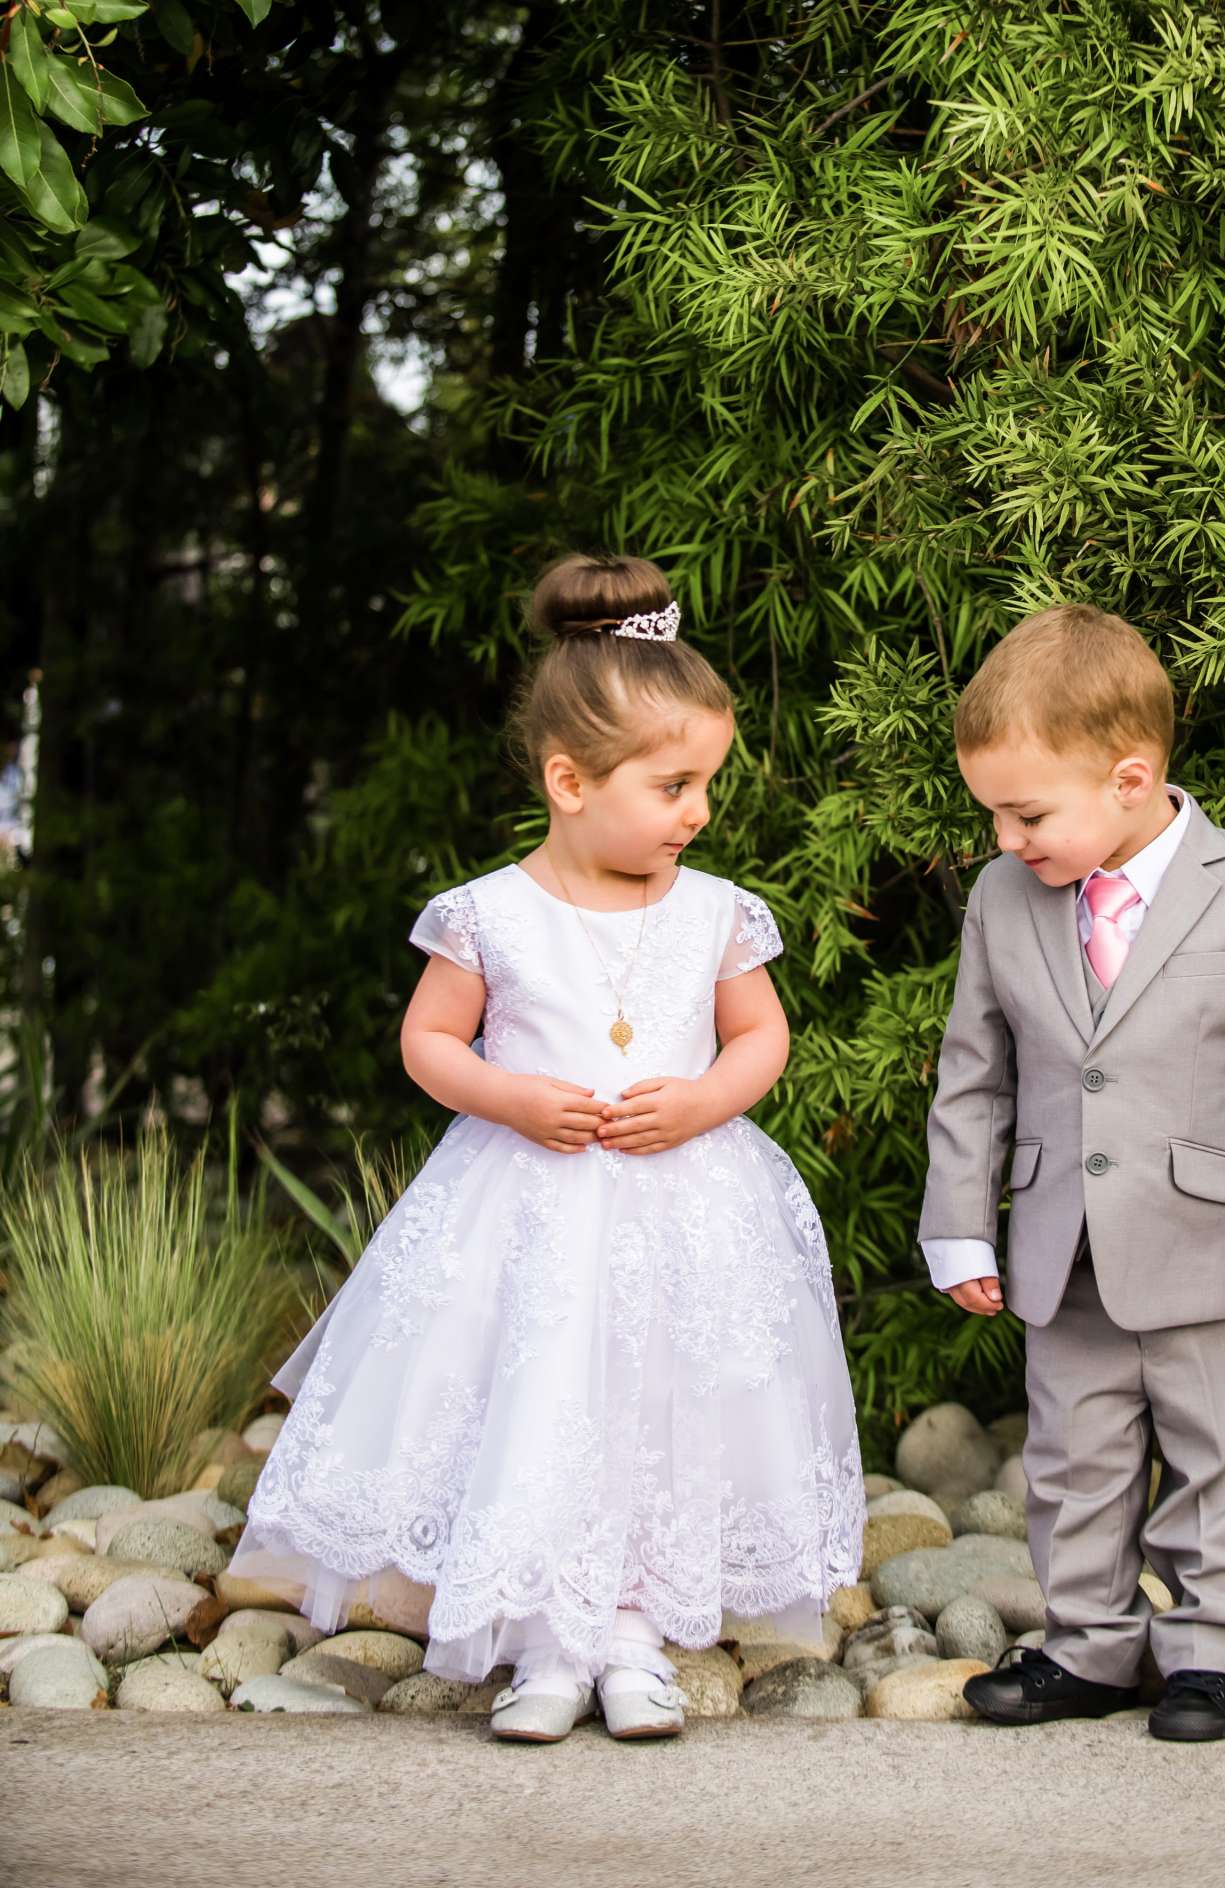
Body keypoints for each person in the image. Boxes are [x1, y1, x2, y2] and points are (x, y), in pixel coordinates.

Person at [233, 553, 865, 1742]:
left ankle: (631, 1631)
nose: (700, 812)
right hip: (526, 1204)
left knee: (659, 1403)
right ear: (569, 779)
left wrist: (702, 1103)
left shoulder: (717, 910)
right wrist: (512, 1096)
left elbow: (760, 1037)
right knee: (538, 1398)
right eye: (675, 785)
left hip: (684, 1204)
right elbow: (429, 1041)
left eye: (706, 786)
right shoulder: (490, 912)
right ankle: (541, 1640)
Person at [919, 604, 1225, 1741]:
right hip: (1061, 1249)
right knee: (1071, 1460)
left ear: (1129, 777)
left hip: (1213, 1249)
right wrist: (961, 1226)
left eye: (1026, 813)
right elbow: (973, 1072)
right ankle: (1090, 1646)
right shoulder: (1002, 900)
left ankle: (1212, 1654)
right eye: (994, 816)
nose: (1008, 839)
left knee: (1220, 1453)